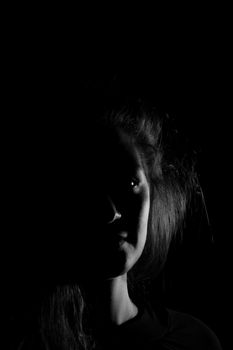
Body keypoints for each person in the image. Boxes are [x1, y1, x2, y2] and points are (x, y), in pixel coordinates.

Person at [11, 90, 222, 349]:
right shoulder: (26, 342)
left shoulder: (193, 342)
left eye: (130, 183)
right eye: (90, 189)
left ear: (152, 192)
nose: (110, 212)